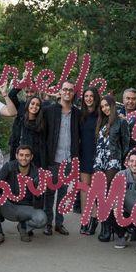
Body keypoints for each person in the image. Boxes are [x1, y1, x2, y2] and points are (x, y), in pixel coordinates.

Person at [0, 145, 47, 246]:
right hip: (8, 206)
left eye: (27, 155)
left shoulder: (37, 173)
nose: (24, 158)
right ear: (16, 156)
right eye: (21, 155)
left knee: (42, 219)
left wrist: (38, 191)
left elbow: (39, 201)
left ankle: (23, 227)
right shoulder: (9, 167)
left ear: (31, 157)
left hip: (26, 208)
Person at [42, 80, 81, 236]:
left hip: (68, 160)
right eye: (65, 89)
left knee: (63, 193)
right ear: (60, 91)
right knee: (49, 193)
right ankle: (47, 224)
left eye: (70, 90)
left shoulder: (77, 113)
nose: (67, 92)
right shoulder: (49, 111)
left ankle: (59, 223)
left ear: (73, 93)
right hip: (52, 159)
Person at [93, 95, 131, 242]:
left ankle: (108, 229)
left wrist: (119, 159)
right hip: (99, 160)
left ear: (113, 105)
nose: (105, 108)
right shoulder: (101, 121)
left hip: (113, 160)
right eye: (102, 107)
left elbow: (126, 143)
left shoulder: (121, 122)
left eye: (107, 105)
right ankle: (105, 226)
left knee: (107, 194)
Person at [78, 87, 100, 235]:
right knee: (84, 188)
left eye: (91, 96)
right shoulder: (81, 115)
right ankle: (85, 220)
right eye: (86, 96)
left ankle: (94, 219)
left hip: (98, 155)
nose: (88, 98)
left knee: (96, 190)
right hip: (84, 153)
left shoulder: (101, 115)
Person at [8, 96, 45, 167]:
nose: (34, 106)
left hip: (36, 162)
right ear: (28, 104)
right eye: (32, 103)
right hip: (20, 160)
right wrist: (12, 162)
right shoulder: (19, 121)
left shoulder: (41, 124)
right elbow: (14, 142)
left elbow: (42, 146)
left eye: (38, 105)